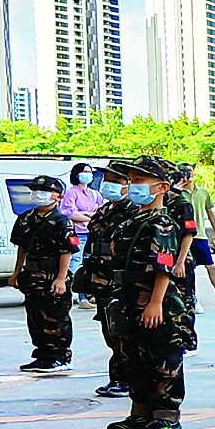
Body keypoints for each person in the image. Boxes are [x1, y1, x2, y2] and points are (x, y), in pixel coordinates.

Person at [104, 155, 189, 429]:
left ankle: (166, 414)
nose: (133, 185)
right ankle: (140, 412)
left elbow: (163, 267)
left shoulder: (162, 223)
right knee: (134, 358)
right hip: (129, 300)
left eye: (140, 180)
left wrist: (155, 303)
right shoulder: (131, 219)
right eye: (132, 180)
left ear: (162, 187)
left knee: (161, 359)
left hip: (154, 300)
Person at [78, 162, 135, 398]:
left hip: (122, 284)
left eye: (115, 181)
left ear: (128, 185)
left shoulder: (134, 212)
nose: (107, 184)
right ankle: (119, 378)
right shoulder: (103, 211)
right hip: (101, 282)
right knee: (110, 333)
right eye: (106, 179)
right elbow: (92, 246)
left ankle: (128, 380)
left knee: (124, 334)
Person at [9, 172, 75, 373]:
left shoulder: (62, 221)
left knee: (55, 317)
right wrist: (16, 271)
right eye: (36, 190)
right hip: (32, 275)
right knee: (35, 317)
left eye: (45, 191)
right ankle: (42, 355)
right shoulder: (26, 218)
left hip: (52, 274)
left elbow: (66, 251)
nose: (39, 194)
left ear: (58, 196)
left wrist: (61, 279)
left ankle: (60, 357)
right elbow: (21, 246)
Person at [165, 164, 203, 353]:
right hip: (166, 258)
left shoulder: (183, 204)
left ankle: (186, 341)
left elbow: (188, 235)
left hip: (181, 260)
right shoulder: (163, 203)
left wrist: (180, 262)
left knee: (184, 302)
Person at [59, 160, 103, 303]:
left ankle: (86, 294)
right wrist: (89, 216)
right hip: (78, 233)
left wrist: (83, 214)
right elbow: (69, 212)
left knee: (90, 262)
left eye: (90, 172)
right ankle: (72, 292)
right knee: (75, 261)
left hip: (92, 234)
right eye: (85, 171)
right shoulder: (71, 192)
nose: (88, 174)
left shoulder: (95, 194)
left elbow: (100, 212)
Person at [185, 166, 215, 305]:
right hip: (183, 236)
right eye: (185, 171)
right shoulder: (176, 193)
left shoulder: (203, 192)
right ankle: (192, 298)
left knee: (210, 265)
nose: (189, 174)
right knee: (189, 269)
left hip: (200, 235)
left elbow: (210, 212)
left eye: (191, 171)